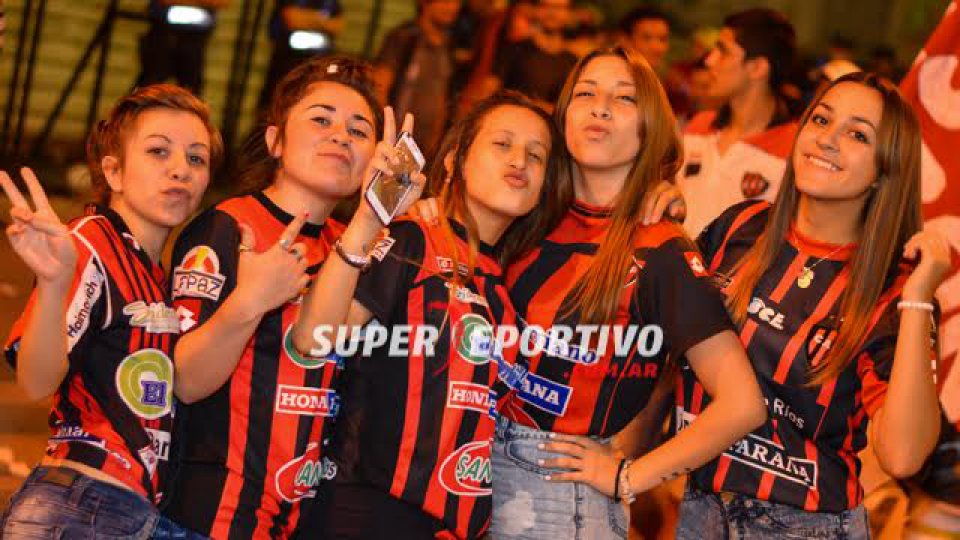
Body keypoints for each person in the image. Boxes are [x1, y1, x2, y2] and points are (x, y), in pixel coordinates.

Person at [462, 46, 765, 539]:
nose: (600, 107)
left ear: (650, 128)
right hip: (475, 469)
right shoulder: (528, 212)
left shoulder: (661, 246)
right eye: (586, 93)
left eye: (623, 99)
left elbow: (742, 402)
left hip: (558, 498)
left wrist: (630, 477)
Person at [290, 90, 566, 539]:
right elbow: (314, 340)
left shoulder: (506, 286)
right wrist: (368, 218)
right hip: (369, 511)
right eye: (503, 144)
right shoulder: (413, 238)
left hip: (453, 525)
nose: (520, 161)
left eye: (536, 155)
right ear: (455, 160)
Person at [162, 56, 382, 539]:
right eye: (321, 119)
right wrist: (252, 299)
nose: (341, 136)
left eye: (359, 130)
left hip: (306, 521)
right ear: (275, 140)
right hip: (211, 516)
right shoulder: (229, 227)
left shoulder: (363, 247)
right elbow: (183, 381)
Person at [0, 84, 221, 539]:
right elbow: (37, 379)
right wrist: (56, 282)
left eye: (196, 159)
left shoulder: (159, 274)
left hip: (125, 512)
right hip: (81, 503)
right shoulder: (91, 240)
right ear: (113, 172)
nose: (181, 169)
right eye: (159, 151)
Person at [677, 8, 799, 237]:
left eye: (723, 51)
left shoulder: (794, 149)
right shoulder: (698, 127)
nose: (709, 60)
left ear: (757, 68)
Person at [373, 0, 462, 159]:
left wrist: (436, 137)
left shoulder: (449, 44)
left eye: (456, 2)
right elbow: (380, 85)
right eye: (446, 2)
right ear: (425, 4)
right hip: (395, 137)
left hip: (423, 147)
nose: (452, 7)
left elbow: (442, 94)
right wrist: (385, 130)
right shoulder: (403, 37)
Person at [487, 0, 579, 112]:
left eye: (560, 8)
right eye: (546, 6)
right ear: (535, 9)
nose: (553, 13)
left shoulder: (572, 61)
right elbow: (490, 93)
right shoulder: (514, 50)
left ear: (569, 13)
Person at [257, 0, 344, 111]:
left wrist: (307, 18)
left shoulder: (330, 2)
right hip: (287, 62)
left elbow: (336, 26)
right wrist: (322, 21)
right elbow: (292, 18)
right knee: (275, 102)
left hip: (318, 64)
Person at [135, 0, 229, 96]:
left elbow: (220, 2)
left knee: (191, 85)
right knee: (151, 80)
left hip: (195, 39)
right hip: (163, 35)